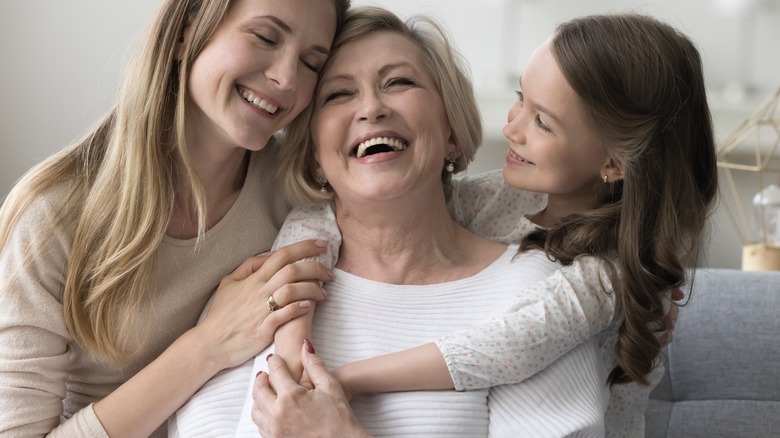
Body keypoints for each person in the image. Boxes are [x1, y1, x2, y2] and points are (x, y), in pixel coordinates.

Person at [251, 8, 717, 438]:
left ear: (615, 163)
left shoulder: (601, 279)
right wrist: (293, 342)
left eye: (543, 122)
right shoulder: (499, 199)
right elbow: (317, 222)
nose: (512, 129)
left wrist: (341, 380)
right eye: (520, 99)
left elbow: (490, 351)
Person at [171, 6, 622, 437]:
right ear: (312, 153)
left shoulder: (533, 292)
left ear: (449, 128)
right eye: (339, 93)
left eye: (399, 82)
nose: (371, 108)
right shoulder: (260, 294)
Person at [0, 0, 351, 436]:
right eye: (264, 37)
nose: (287, 78)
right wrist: (208, 345)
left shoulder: (299, 193)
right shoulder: (52, 215)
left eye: (311, 63)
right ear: (187, 31)